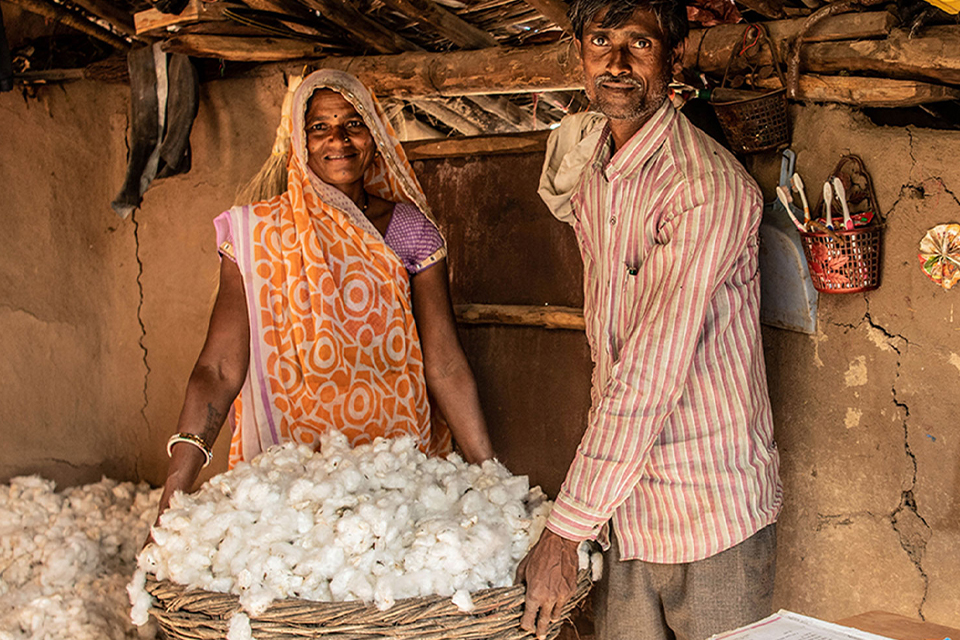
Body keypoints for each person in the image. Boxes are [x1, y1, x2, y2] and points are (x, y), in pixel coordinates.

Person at [519, 0, 782, 638]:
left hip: (710, 511)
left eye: (638, 44)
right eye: (601, 41)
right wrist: (590, 517)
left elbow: (649, 373)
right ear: (578, 53)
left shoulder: (704, 188)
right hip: (625, 510)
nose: (615, 62)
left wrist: (563, 531)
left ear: (672, 56)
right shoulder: (594, 175)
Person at [156, 69, 494, 520]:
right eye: (319, 127)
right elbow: (218, 368)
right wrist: (173, 493)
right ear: (301, 141)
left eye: (353, 123)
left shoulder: (410, 230)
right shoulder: (259, 235)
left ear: (374, 136)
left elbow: (446, 364)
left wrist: (490, 478)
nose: (338, 139)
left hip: (397, 474)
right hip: (295, 482)